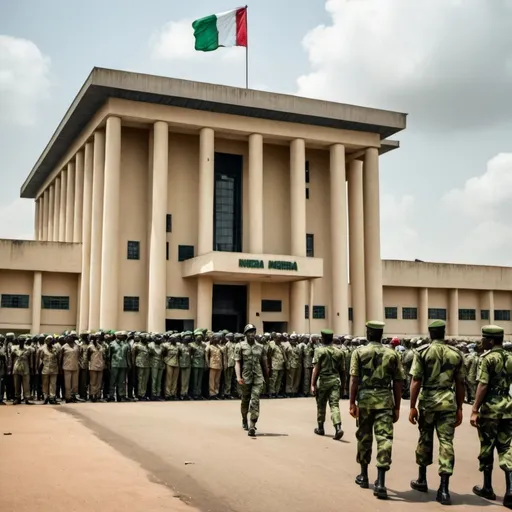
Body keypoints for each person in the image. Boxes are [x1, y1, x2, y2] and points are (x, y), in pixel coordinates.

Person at [409, 319, 465, 506]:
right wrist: (459, 407)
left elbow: (416, 380)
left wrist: (412, 405)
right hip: (448, 403)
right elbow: (460, 384)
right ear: (444, 332)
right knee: (446, 443)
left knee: (425, 439)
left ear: (430, 333)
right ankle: (444, 489)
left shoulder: (422, 352)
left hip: (429, 402)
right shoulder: (455, 353)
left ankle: (422, 479)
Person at [350, 321, 404, 499]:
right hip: (385, 401)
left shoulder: (358, 352)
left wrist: (352, 403)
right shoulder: (392, 354)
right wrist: (397, 406)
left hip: (365, 400)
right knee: (385, 439)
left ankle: (364, 476)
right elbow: (397, 382)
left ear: (368, 334)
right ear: (381, 335)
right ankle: (381, 482)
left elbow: (354, 380)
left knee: (364, 437)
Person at [470, 324, 512, 508]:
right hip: (508, 407)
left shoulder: (486, 358)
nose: (482, 341)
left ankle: (488, 487)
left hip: (491, 408)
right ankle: (510, 490)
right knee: (506, 447)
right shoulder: (510, 357)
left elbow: (483, 385)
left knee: (487, 447)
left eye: (484, 339)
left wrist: (474, 409)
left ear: (491, 340)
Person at [235, 324, 269, 437]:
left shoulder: (260, 347)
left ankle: (252, 425)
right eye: (249, 332)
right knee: (245, 400)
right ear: (245, 334)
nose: (252, 334)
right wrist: (238, 377)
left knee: (255, 400)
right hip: (245, 378)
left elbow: (264, 364)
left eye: (253, 332)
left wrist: (267, 378)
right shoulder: (240, 346)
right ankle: (244, 418)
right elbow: (237, 362)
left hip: (258, 377)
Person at [311, 328, 345, 441]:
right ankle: (338, 427)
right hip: (335, 381)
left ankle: (320, 428)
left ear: (323, 338)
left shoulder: (319, 351)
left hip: (323, 381)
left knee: (321, 405)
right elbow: (342, 371)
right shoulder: (339, 352)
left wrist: (312, 384)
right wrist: (343, 386)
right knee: (334, 405)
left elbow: (316, 369)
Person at [37, 335, 60, 405]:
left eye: (51, 340)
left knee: (53, 384)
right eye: (48, 340)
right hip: (45, 369)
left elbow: (58, 357)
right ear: (46, 341)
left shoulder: (56, 348)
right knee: (45, 384)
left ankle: (52, 398)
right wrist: (38, 368)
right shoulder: (42, 349)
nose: (50, 342)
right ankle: (45, 397)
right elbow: (40, 359)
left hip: (54, 369)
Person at [61, 332, 80, 403]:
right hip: (67, 367)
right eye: (68, 338)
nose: (69, 339)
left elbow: (79, 356)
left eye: (70, 338)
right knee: (67, 384)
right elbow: (60, 358)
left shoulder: (77, 346)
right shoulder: (64, 347)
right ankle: (68, 397)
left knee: (75, 384)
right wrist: (60, 367)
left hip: (75, 367)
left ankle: (73, 396)